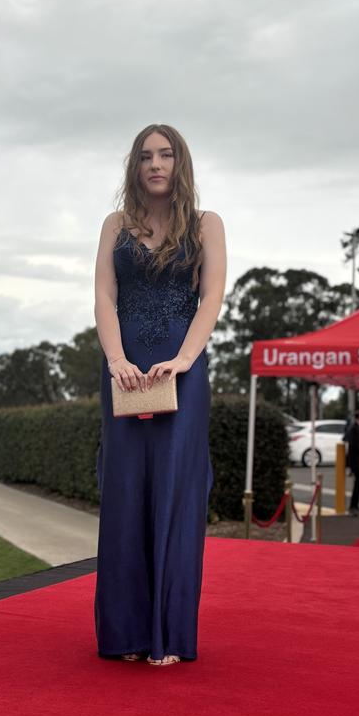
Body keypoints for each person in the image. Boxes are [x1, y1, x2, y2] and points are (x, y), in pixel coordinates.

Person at [94, 123, 226, 666]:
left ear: (180, 163)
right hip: (124, 372)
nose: (155, 163)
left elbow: (213, 296)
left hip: (182, 367)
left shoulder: (205, 224)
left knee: (174, 492)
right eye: (146, 155)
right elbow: (104, 295)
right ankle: (125, 633)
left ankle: (167, 635)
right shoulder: (115, 225)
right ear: (135, 164)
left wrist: (185, 360)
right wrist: (116, 360)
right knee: (124, 492)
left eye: (165, 154)